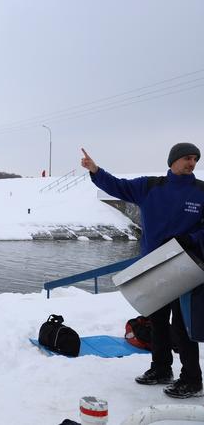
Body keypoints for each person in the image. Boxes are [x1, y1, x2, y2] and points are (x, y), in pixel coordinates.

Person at [81, 143, 204, 398]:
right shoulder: (150, 186)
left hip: (186, 265)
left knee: (183, 326)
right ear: (172, 161)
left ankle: (192, 379)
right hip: (154, 265)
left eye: (195, 159)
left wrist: (193, 238)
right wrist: (95, 171)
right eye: (186, 158)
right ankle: (161, 369)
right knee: (157, 320)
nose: (191, 163)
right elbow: (118, 186)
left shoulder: (201, 191)